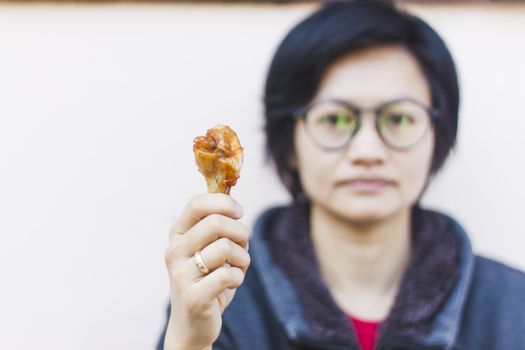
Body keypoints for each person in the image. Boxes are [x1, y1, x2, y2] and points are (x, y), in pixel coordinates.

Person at [158, 1, 525, 349]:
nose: (367, 151)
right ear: (289, 141)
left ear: (437, 136)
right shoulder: (222, 300)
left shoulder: (511, 307)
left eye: (399, 118)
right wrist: (189, 340)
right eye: (334, 119)